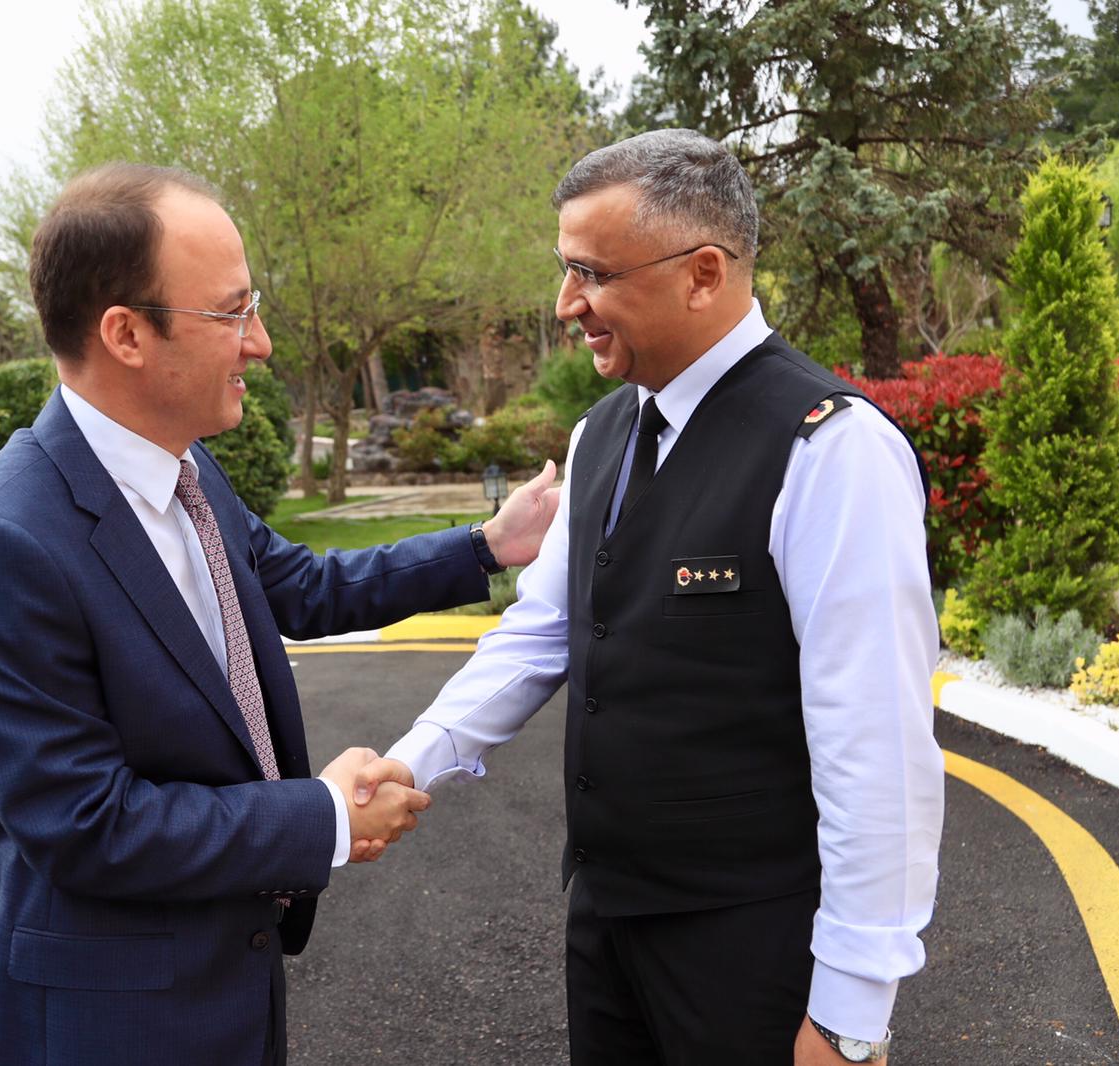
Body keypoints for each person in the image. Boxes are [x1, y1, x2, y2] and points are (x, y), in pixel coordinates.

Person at [0, 162, 559, 1066]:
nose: (260, 342)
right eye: (232, 312)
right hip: (116, 1027)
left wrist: (488, 545)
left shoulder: (188, 469)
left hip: (233, 983)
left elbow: (303, 585)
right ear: (126, 333)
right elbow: (88, 827)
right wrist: (325, 817)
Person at [357, 129, 945, 1064]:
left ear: (703, 274)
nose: (566, 304)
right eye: (565, 269)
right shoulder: (600, 435)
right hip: (608, 925)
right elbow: (542, 632)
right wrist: (413, 760)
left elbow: (876, 747)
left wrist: (850, 1011)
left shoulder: (831, 448)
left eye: (591, 273)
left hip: (754, 947)